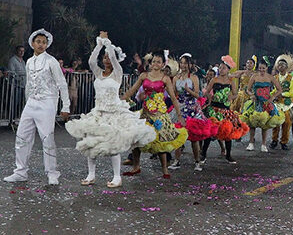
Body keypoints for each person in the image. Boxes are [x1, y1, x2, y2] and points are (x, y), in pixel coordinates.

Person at [65, 32, 155, 188]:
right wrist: (99, 45)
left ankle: (116, 177)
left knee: (114, 145)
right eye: (104, 57)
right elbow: (92, 61)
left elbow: (113, 58)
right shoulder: (99, 73)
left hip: (113, 113)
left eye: (108, 57)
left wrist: (107, 43)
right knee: (90, 143)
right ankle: (91, 175)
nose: (106, 59)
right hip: (98, 112)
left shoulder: (117, 73)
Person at [4, 29, 70, 185]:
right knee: (22, 136)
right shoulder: (29, 61)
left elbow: (61, 83)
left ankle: (52, 173)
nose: (41, 45)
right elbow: (28, 84)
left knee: (47, 138)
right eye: (38, 42)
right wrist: (27, 102)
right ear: (32, 44)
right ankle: (20, 171)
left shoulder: (51, 61)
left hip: (47, 102)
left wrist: (65, 105)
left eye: (44, 42)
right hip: (31, 102)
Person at [120, 51, 187, 179]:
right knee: (137, 139)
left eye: (159, 61)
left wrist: (179, 115)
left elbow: (173, 98)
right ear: (150, 63)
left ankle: (165, 169)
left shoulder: (165, 78)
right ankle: (136, 167)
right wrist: (119, 101)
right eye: (154, 61)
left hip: (160, 114)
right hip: (145, 113)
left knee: (161, 141)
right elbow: (132, 90)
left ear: (163, 64)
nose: (156, 64)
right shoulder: (144, 76)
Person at [169, 53, 218, 171]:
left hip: (192, 108)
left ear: (190, 64)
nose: (183, 65)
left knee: (194, 137)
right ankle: (176, 160)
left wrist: (188, 90)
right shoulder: (176, 77)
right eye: (181, 63)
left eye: (186, 63)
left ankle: (197, 161)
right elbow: (174, 93)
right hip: (180, 107)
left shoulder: (194, 78)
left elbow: (198, 94)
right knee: (179, 135)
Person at [202, 56, 249, 164]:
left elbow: (235, 94)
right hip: (214, 108)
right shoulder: (214, 79)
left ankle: (228, 155)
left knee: (228, 133)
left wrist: (230, 98)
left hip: (225, 109)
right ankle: (203, 154)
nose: (221, 70)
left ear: (228, 69)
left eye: (223, 68)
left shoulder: (231, 81)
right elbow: (207, 91)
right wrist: (210, 97)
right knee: (210, 132)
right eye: (220, 68)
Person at [241, 59, 284, 152]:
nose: (261, 70)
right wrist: (251, 95)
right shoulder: (254, 76)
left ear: (267, 68)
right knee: (252, 123)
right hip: (256, 102)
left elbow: (279, 90)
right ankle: (251, 143)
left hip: (266, 102)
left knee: (265, 123)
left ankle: (264, 144)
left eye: (263, 68)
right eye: (260, 68)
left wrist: (272, 97)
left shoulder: (271, 77)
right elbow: (247, 89)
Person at [270, 54, 293, 150]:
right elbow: (274, 90)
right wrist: (271, 95)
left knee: (287, 123)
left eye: (282, 65)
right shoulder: (275, 78)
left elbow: (292, 92)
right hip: (277, 103)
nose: (280, 67)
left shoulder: (291, 79)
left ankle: (284, 141)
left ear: (286, 67)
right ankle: (274, 140)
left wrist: (282, 94)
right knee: (275, 122)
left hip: (286, 104)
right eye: (279, 65)